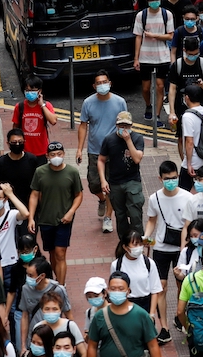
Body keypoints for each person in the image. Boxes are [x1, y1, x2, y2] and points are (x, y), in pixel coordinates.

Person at [76, 70, 128, 234]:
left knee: (111, 185)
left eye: (104, 82)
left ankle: (107, 217)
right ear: (94, 86)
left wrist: (126, 146)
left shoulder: (120, 102)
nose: (102, 85)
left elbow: (125, 124)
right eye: (98, 83)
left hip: (114, 151)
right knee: (94, 184)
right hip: (94, 151)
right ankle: (102, 200)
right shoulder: (88, 103)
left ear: (110, 83)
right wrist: (79, 149)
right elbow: (83, 125)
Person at [144, 160, 189, 345]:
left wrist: (184, 249)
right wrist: (146, 236)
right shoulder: (154, 198)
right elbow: (152, 220)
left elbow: (189, 225)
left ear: (178, 176)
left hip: (182, 249)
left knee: (182, 287)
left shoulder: (188, 197)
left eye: (174, 178)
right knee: (161, 288)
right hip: (161, 248)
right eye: (167, 179)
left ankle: (180, 317)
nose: (171, 181)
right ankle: (164, 329)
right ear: (160, 179)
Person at [28, 141, 83, 286]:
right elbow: (34, 195)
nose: (56, 157)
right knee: (52, 253)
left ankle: (61, 286)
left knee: (60, 253)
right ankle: (55, 280)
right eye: (53, 155)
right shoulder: (40, 172)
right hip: (45, 219)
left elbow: (78, 195)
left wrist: (70, 212)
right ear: (47, 156)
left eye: (59, 154)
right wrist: (31, 218)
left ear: (64, 154)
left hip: (64, 220)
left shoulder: (72, 172)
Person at [98, 111, 145, 240]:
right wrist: (103, 180)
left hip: (132, 181)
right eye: (121, 125)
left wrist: (128, 140)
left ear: (131, 126)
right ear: (116, 125)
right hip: (115, 182)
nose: (124, 128)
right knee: (120, 215)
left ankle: (138, 241)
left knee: (135, 213)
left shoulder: (137, 138)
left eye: (127, 126)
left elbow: (137, 159)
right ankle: (125, 242)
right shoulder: (109, 140)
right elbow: (101, 160)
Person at [134, 0, 175, 125]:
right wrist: (136, 58)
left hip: (162, 56)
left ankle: (157, 116)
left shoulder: (166, 14)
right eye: (152, 0)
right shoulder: (141, 15)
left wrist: (154, 36)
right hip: (145, 57)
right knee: (145, 88)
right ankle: (148, 105)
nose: (154, 2)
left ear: (160, 0)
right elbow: (138, 37)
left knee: (159, 86)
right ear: (147, 1)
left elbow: (170, 35)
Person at [13, 77, 58, 164]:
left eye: (32, 90)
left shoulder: (46, 105)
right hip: (24, 152)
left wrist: (42, 105)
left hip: (41, 151)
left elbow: (53, 121)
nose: (29, 93)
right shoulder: (19, 107)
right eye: (27, 90)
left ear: (39, 91)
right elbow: (15, 128)